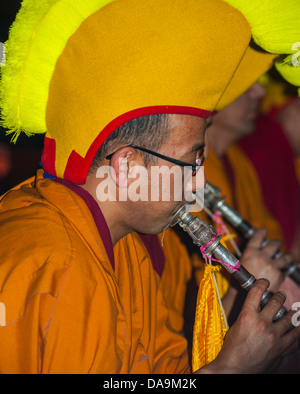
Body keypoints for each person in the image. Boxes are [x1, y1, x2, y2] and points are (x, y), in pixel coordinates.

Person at [0, 0, 300, 374]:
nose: (199, 185)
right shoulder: (48, 262)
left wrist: (237, 320)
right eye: (191, 164)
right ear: (127, 166)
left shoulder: (127, 248)